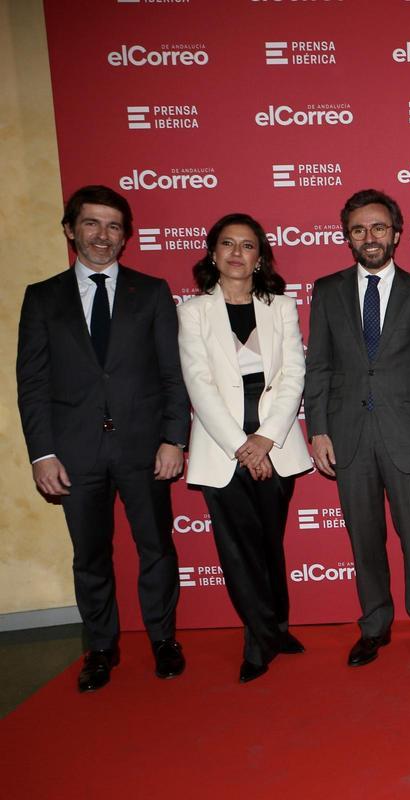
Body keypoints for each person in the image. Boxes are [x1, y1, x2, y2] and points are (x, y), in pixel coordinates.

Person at [16, 185, 189, 692]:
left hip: (144, 447)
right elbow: (32, 383)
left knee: (156, 547)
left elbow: (172, 373)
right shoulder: (42, 297)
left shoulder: (150, 292)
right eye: (91, 223)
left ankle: (164, 639)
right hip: (74, 452)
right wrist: (42, 454)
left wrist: (174, 438)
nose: (102, 235)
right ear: (70, 230)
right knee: (90, 555)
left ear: (125, 236)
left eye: (113, 226)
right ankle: (100, 647)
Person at [304, 189, 410, 668]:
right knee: (363, 538)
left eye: (379, 227)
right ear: (347, 237)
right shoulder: (327, 291)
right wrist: (318, 429)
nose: (370, 237)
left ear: (397, 234)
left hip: (407, 433)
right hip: (347, 435)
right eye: (359, 229)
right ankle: (374, 625)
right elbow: (318, 365)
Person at [177, 214, 312, 683]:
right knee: (239, 551)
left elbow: (294, 374)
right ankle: (259, 641)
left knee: (269, 543)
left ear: (260, 257)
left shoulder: (281, 306)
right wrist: (242, 447)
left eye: (248, 245)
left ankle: (277, 627)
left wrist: (265, 439)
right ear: (212, 253)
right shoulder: (193, 312)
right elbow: (199, 384)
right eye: (228, 244)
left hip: (276, 444)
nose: (237, 253)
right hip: (222, 449)